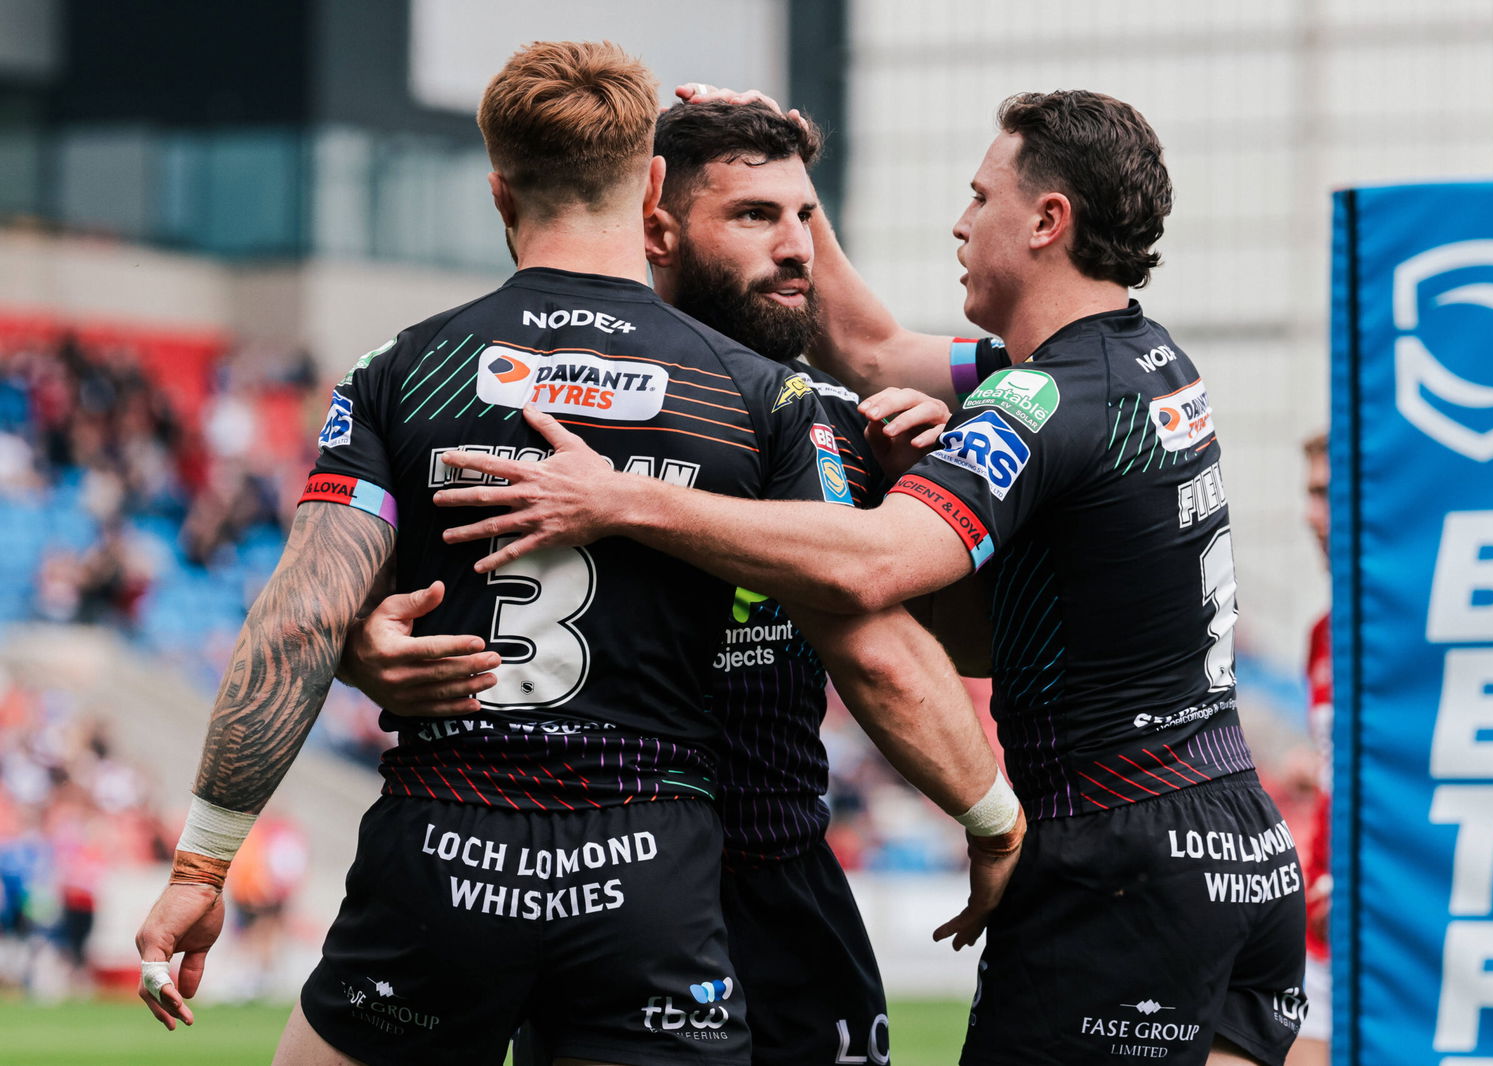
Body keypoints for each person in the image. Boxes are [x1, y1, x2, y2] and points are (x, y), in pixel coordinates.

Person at [131, 42, 1013, 1066]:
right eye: (757, 215)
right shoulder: (761, 400)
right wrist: (993, 818)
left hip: (449, 843)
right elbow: (871, 642)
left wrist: (202, 865)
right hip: (650, 862)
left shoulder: (400, 370)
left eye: (800, 218)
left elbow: (297, 619)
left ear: (499, 190)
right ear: (651, 196)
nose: (792, 246)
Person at [432, 88, 1308, 1066]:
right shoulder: (1147, 361)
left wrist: (625, 498)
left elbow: (880, 562)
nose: (960, 221)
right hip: (1239, 841)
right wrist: (790, 191)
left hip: (1120, 853)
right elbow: (874, 353)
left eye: (981, 198)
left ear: (1047, 221)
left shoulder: (1039, 395)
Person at [1286, 433, 1331, 1066]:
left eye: (1326, 493)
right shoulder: (1324, 634)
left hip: (1396, 918)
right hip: (1324, 930)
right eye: (1309, 494)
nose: (1310, 515)